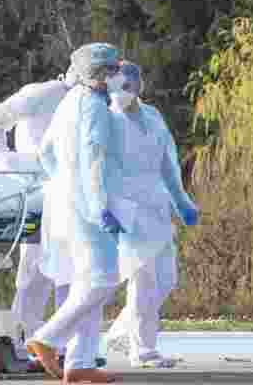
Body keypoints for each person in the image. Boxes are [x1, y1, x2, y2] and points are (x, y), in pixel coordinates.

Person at [25, 41, 130, 384]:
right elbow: (96, 162)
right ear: (100, 74)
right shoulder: (96, 109)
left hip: (65, 201)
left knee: (84, 284)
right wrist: (101, 208)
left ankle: (79, 363)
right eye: (114, 69)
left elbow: (45, 152)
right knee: (102, 279)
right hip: (89, 205)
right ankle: (48, 338)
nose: (119, 74)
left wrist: (63, 182)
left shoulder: (70, 100)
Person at [102, 61, 199, 368]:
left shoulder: (153, 116)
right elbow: (98, 168)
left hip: (156, 204)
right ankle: (143, 350)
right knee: (142, 279)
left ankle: (121, 333)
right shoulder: (106, 120)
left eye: (130, 86)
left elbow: (167, 163)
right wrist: (104, 207)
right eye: (120, 86)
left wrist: (181, 200)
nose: (125, 92)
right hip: (127, 207)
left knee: (166, 280)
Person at [0, 76, 76, 368]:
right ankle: (24, 342)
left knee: (72, 273)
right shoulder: (41, 94)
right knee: (36, 271)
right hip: (36, 193)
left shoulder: (89, 101)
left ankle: (65, 345)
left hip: (71, 194)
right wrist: (7, 163)